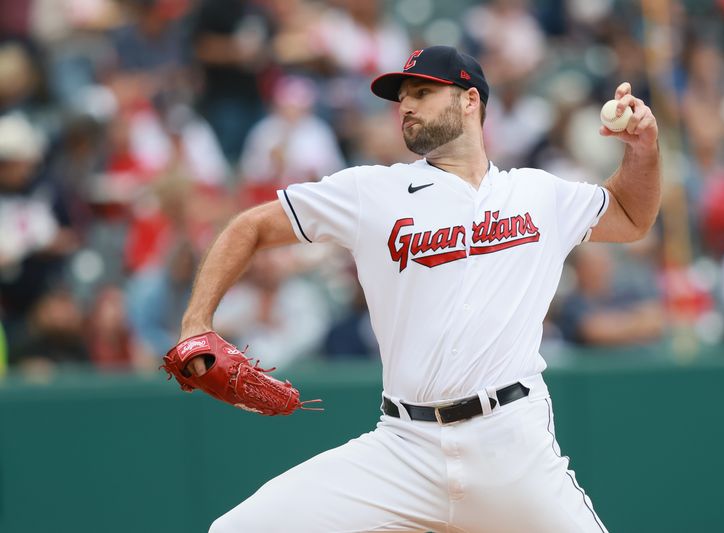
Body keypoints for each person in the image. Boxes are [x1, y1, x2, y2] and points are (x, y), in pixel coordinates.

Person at [176, 46, 660, 532]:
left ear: (470, 100)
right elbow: (249, 227)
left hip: (512, 446)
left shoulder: (539, 193)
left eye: (423, 93)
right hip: (404, 449)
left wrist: (642, 150)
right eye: (402, 97)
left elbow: (630, 215)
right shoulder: (371, 191)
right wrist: (196, 322)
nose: (406, 106)